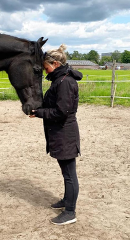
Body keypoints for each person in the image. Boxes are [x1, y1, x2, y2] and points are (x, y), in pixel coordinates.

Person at [30, 44, 83, 225]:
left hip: (65, 133)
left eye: (46, 68)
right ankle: (67, 201)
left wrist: (39, 113)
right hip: (61, 132)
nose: (46, 72)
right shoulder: (59, 80)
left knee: (69, 174)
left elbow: (61, 112)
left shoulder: (65, 82)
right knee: (66, 172)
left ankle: (70, 212)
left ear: (55, 64)